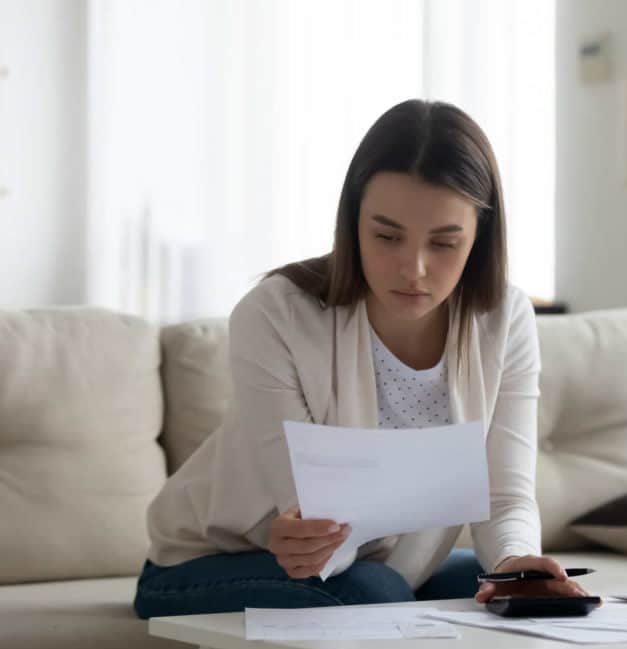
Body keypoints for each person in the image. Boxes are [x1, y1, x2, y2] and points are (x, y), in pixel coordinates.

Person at [133, 99, 589, 618]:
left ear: (479, 239)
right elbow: (311, 510)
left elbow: (505, 495)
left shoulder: (503, 317)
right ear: (353, 223)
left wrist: (516, 566)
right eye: (387, 236)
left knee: (496, 585)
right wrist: (309, 539)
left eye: (444, 242)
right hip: (209, 563)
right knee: (375, 595)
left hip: (380, 569)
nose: (413, 268)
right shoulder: (276, 314)